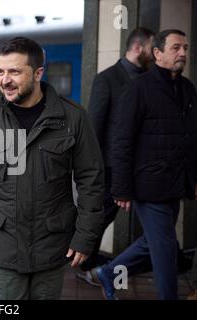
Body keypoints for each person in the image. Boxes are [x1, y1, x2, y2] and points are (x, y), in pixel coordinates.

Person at [0, 37, 104, 300]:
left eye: (14, 71)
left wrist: (85, 236)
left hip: (51, 246)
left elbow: (91, 180)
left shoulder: (73, 118)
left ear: (38, 73)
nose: (5, 80)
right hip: (4, 248)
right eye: (1, 72)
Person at [91, 29, 197, 300]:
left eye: (185, 47)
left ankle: (110, 272)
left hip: (175, 181)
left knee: (155, 242)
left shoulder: (187, 89)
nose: (183, 52)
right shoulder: (137, 88)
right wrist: (121, 189)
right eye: (175, 47)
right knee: (164, 251)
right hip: (148, 184)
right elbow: (121, 140)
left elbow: (191, 138)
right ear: (158, 53)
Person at [76, 27, 155, 285]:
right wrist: (94, 168)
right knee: (102, 216)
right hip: (109, 166)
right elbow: (95, 125)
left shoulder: (149, 79)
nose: (155, 53)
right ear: (137, 47)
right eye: (152, 47)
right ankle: (83, 262)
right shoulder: (106, 79)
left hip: (140, 166)